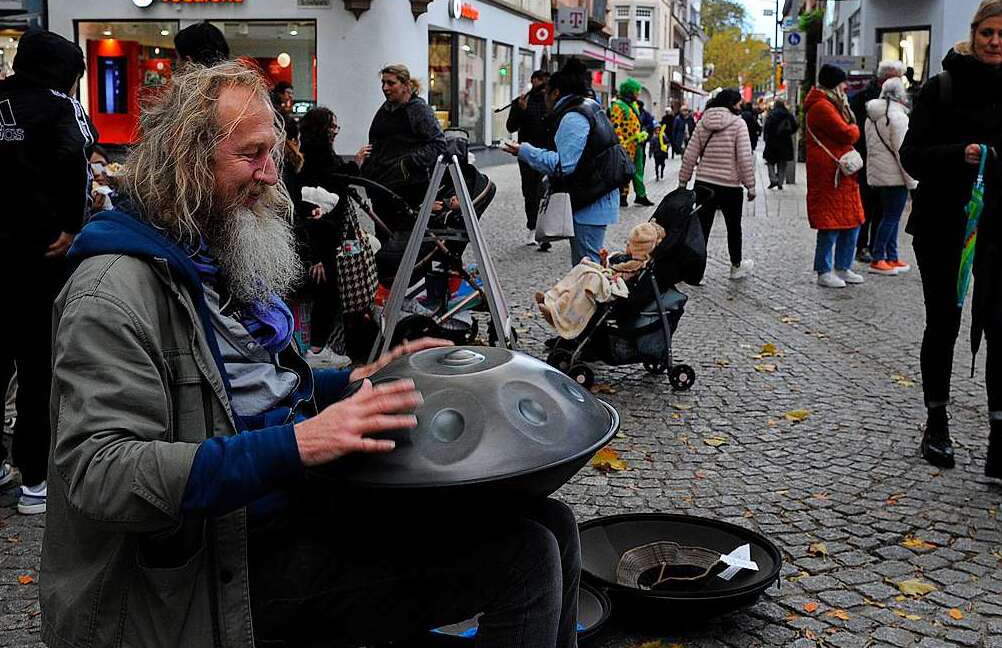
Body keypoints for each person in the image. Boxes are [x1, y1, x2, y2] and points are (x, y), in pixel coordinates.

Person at [40, 59, 582, 648]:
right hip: (215, 565)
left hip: (280, 514)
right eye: (252, 155)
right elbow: (101, 476)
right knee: (524, 558)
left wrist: (354, 381)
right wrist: (300, 444)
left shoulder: (213, 250)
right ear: (186, 163)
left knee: (551, 522)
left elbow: (250, 389)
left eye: (273, 152)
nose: (273, 175)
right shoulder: (112, 291)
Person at [901, 0, 1002, 481]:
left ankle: (1001, 443)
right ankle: (936, 423)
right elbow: (913, 155)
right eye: (987, 33)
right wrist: (960, 154)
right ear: (974, 34)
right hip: (944, 228)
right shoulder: (942, 89)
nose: (995, 42)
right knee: (944, 325)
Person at [0, 28, 95, 515]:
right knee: (38, 366)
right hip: (41, 254)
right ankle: (35, 478)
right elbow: (77, 161)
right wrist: (72, 227)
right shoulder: (62, 106)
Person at [504, 58, 628, 266]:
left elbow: (564, 164)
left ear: (556, 93)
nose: (544, 99)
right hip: (595, 197)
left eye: (546, 93)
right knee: (587, 267)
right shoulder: (588, 105)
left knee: (587, 269)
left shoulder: (574, 116)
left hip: (591, 201)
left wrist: (525, 151)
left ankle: (592, 299)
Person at [678, 88, 756, 280]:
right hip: (730, 185)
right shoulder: (738, 124)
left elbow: (690, 153)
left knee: (701, 228)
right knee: (733, 228)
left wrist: (683, 180)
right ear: (731, 103)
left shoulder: (702, 122)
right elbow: (744, 158)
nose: (740, 106)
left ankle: (695, 272)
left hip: (704, 182)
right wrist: (750, 185)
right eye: (738, 102)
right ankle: (736, 266)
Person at [361, 64, 447, 234]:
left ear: (406, 85)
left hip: (409, 188)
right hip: (382, 186)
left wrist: (408, 164)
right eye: (383, 83)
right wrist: (367, 165)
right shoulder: (385, 109)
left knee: (409, 241)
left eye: (391, 83)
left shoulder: (418, 110)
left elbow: (438, 144)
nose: (385, 88)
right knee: (385, 239)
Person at [296, 107, 351, 368]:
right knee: (327, 289)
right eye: (333, 127)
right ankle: (317, 349)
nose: (335, 132)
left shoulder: (306, 156)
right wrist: (317, 255)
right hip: (322, 239)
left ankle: (319, 346)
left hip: (321, 237)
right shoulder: (318, 160)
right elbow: (312, 210)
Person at [805, 64, 866, 289]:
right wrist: (854, 128)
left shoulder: (832, 103)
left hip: (841, 170)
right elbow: (847, 132)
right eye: (842, 82)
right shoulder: (822, 106)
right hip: (829, 172)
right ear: (834, 83)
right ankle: (824, 270)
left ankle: (842, 266)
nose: (846, 86)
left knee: (852, 220)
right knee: (829, 224)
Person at [850, 60, 905, 262]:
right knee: (868, 206)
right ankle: (864, 247)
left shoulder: (897, 102)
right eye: (896, 78)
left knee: (883, 209)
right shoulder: (863, 99)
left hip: (881, 163)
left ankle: (876, 248)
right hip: (868, 161)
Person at [864, 77, 917, 275]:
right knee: (892, 218)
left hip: (878, 174)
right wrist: (912, 182)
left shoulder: (872, 115)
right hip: (895, 176)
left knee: (889, 217)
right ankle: (879, 258)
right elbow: (902, 152)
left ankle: (891, 256)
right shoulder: (898, 117)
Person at [506, 69, 551, 250]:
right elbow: (511, 126)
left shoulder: (551, 102)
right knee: (529, 191)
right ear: (533, 80)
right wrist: (521, 110)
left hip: (546, 152)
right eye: (541, 81)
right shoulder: (522, 101)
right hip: (525, 152)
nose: (544, 85)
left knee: (544, 191)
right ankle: (532, 227)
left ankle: (543, 233)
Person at [609, 78, 653, 207]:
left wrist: (642, 132)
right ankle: (622, 195)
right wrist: (621, 144)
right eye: (636, 92)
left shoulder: (633, 105)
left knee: (638, 170)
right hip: (626, 145)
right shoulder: (617, 106)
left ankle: (641, 195)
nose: (638, 94)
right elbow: (616, 126)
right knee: (625, 171)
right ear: (629, 92)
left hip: (637, 144)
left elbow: (638, 123)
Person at [762, 99, 797, 190]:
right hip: (785, 143)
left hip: (772, 142)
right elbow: (794, 127)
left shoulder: (771, 115)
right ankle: (780, 182)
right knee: (782, 163)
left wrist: (766, 138)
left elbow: (766, 128)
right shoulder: (788, 115)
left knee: (770, 162)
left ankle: (773, 179)